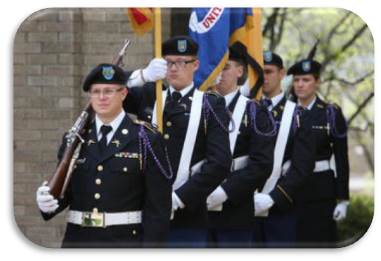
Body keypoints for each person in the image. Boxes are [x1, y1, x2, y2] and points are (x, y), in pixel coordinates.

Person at [36, 63, 172, 248]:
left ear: (123, 93)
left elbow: (159, 208)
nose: (102, 98)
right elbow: (65, 193)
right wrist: (47, 202)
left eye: (109, 91)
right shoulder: (74, 139)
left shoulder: (146, 139)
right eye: (96, 91)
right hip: (78, 241)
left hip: (125, 242)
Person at [124, 35, 232, 247]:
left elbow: (220, 162)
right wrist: (142, 76)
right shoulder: (150, 95)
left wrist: (179, 198)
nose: (174, 68)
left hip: (187, 216)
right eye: (169, 62)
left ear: (196, 65)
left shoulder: (211, 105)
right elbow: (106, 87)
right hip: (144, 213)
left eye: (182, 62)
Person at [206, 42, 276, 247]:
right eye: (216, 68)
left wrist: (226, 191)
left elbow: (261, 163)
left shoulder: (255, 111)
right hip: (196, 208)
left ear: (240, 71)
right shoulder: (198, 107)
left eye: (225, 68)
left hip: (234, 209)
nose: (219, 74)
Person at [252, 51, 316, 247]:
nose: (264, 77)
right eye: (259, 72)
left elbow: (302, 167)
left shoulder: (299, 115)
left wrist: (273, 197)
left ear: (282, 73)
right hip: (244, 206)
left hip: (281, 208)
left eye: (269, 72)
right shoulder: (247, 109)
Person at [288, 49, 350, 246]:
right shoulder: (285, 111)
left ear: (317, 82)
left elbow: (341, 158)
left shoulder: (331, 113)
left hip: (320, 192)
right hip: (288, 189)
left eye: (306, 80)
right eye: (296, 80)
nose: (300, 85)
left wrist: (343, 199)